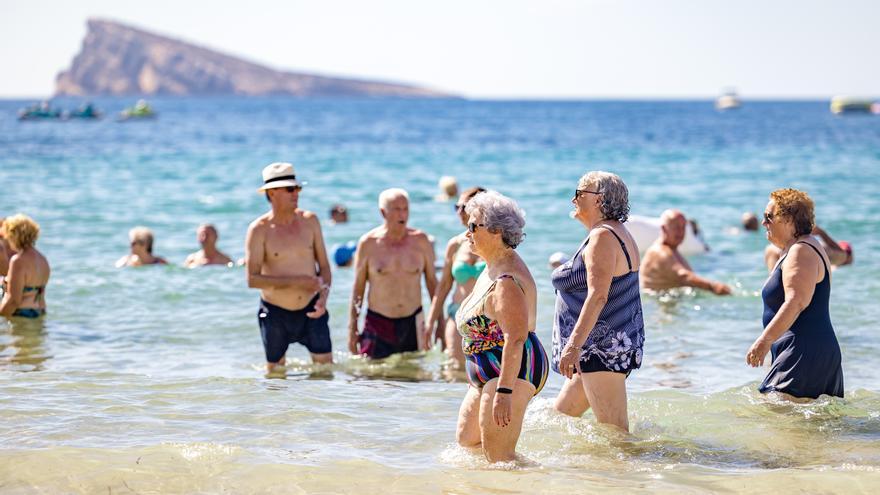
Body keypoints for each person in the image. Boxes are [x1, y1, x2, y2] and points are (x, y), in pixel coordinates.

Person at [454, 190, 548, 462]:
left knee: (499, 458)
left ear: (496, 230)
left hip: (511, 369)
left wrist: (504, 392)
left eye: (473, 226)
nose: (466, 233)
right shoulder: (491, 265)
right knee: (467, 440)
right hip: (490, 367)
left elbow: (516, 338)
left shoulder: (506, 280)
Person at [552, 171, 645, 432]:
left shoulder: (603, 237)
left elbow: (598, 295)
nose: (573, 200)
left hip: (601, 350)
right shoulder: (615, 232)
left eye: (579, 193)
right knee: (559, 417)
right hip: (599, 348)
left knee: (616, 435)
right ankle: (577, 471)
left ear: (599, 200)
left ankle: (627, 472)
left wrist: (572, 346)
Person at [746, 189, 844, 399]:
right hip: (806, 350)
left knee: (778, 420)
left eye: (769, 217)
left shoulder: (801, 250)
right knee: (803, 426)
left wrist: (764, 342)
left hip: (803, 350)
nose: (764, 223)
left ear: (789, 220)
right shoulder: (797, 249)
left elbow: (797, 301)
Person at [245, 162, 333, 372]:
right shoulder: (259, 230)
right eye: (290, 189)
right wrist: (297, 282)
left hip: (312, 308)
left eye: (298, 188)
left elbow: (325, 268)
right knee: (275, 376)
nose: (297, 194)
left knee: (326, 373)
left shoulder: (310, 221)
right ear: (272, 193)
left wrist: (323, 300)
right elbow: (252, 279)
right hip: (275, 313)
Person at [348, 188, 437, 359]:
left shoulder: (421, 241)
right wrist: (352, 328)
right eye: (396, 209)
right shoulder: (368, 243)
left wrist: (438, 324)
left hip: (413, 320)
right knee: (372, 377)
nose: (402, 214)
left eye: (405, 209)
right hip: (378, 321)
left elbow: (433, 284)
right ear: (383, 212)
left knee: (415, 376)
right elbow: (358, 288)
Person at [426, 187, 486, 367]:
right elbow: (443, 286)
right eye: (456, 207)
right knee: (455, 369)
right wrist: (431, 323)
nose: (460, 212)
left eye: (464, 207)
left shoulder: (497, 241)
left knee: (487, 373)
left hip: (488, 317)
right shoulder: (455, 244)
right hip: (457, 313)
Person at [640, 210, 731, 294]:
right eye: (676, 227)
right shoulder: (661, 252)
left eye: (683, 227)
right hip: (661, 302)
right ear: (664, 229)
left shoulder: (672, 250)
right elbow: (683, 276)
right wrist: (713, 287)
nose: (681, 232)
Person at [0, 214, 50, 319]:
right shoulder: (43, 259)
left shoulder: (18, 261)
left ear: (13, 235)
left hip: (22, 314)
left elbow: (13, 301)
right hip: (39, 312)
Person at [764, 225, 853, 272]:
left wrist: (820, 232)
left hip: (823, 253)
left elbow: (842, 254)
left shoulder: (839, 255)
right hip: (826, 254)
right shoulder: (838, 255)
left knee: (772, 250)